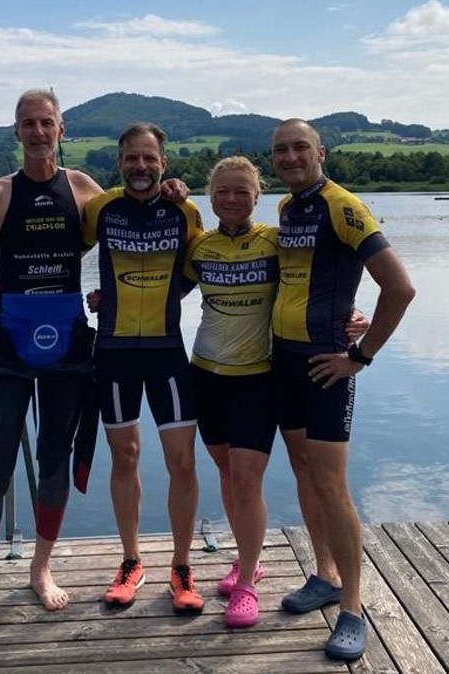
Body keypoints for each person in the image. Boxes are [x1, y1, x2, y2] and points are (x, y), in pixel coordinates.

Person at [183, 156, 368, 629]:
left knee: (247, 479)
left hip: (257, 377)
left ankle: (246, 584)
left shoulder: (277, 241)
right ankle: (247, 557)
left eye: (241, 191)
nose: (231, 199)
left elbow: (319, 278)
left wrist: (351, 315)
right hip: (205, 374)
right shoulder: (199, 246)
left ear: (257, 196)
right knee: (228, 475)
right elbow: (162, 288)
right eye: (222, 191)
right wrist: (103, 298)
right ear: (211, 196)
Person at [0, 89, 106, 635]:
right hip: (11, 341)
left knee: (55, 459)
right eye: (28, 123)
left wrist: (174, 192)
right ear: (16, 132)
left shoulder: (84, 188)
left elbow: (132, 229)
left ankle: (41, 568)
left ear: (61, 129)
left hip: (67, 339)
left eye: (46, 122)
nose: (38, 132)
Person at [269, 119, 415, 661]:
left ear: (321, 153)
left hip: (327, 364)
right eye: (280, 150)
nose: (290, 157)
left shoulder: (343, 206)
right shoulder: (288, 209)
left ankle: (353, 607)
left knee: (331, 484)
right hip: (284, 361)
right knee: (304, 472)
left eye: (299, 148)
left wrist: (360, 355)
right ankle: (325, 575)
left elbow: (399, 287)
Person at [81, 122, 206, 614]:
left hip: (166, 351)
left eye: (149, 158)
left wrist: (167, 296)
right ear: (119, 163)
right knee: (125, 458)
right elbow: (57, 253)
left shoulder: (183, 211)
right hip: (113, 352)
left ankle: (181, 566)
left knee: (183, 462)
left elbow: (201, 266)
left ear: (163, 164)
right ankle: (131, 560)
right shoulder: (101, 209)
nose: (140, 166)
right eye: (132, 157)